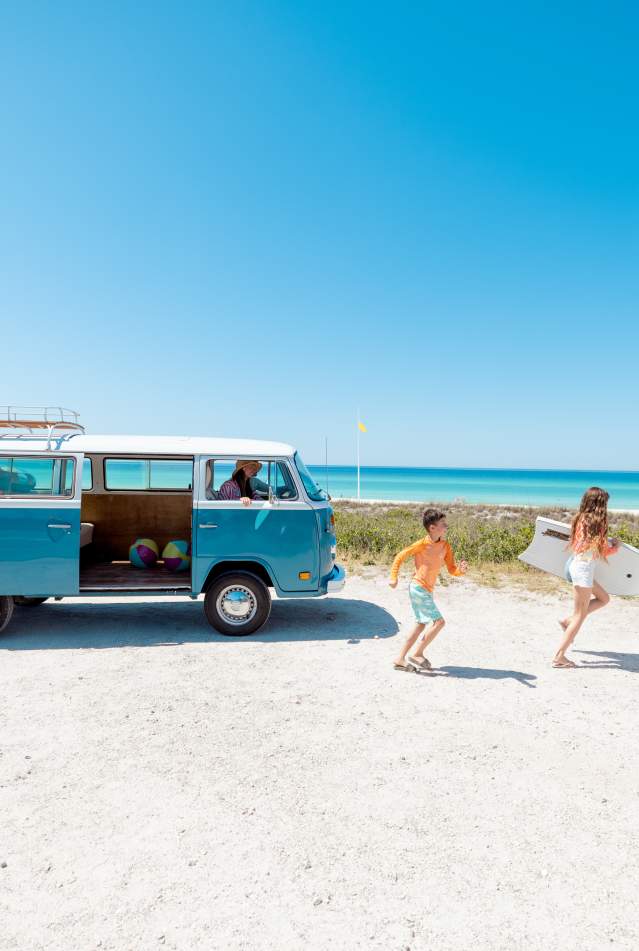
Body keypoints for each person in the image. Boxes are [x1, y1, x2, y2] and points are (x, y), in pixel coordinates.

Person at [389, 508, 468, 671]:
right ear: (432, 528)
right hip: (418, 587)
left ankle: (400, 658)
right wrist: (393, 577)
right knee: (439, 622)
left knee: (420, 624)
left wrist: (461, 570)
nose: (446, 527)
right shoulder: (421, 545)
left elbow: (452, 569)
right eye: (443, 524)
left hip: (427, 590)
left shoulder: (445, 546)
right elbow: (399, 557)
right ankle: (417, 653)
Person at [553, 486, 619, 669]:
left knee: (604, 598)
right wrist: (615, 547)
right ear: (599, 504)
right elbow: (600, 550)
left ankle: (567, 621)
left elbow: (584, 545)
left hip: (577, 565)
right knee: (580, 616)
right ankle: (559, 657)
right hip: (583, 571)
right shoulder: (597, 524)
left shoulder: (580, 518)